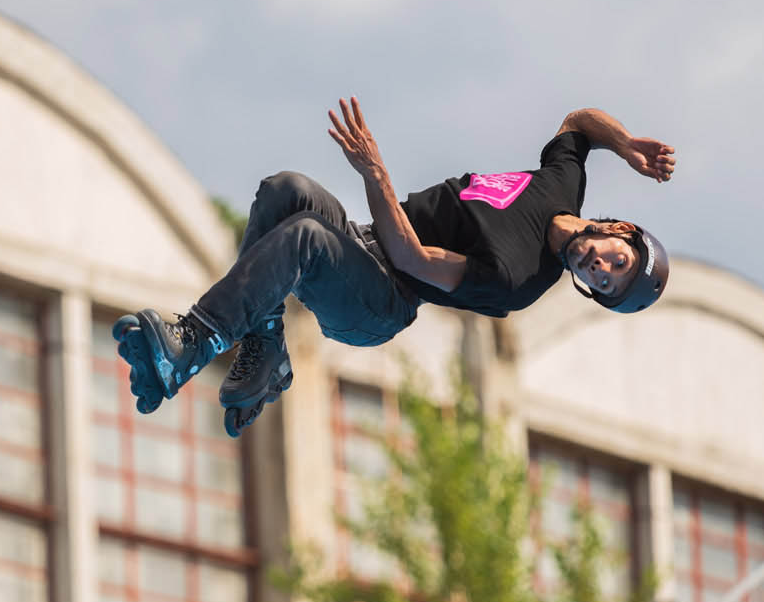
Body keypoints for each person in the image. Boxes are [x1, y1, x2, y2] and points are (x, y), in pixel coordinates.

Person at [112, 99, 675, 436]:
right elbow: (578, 120)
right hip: (362, 243)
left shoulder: (519, 278)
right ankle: (266, 349)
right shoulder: (563, 183)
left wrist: (375, 175)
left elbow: (412, 259)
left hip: (381, 299)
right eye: (613, 261)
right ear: (618, 230)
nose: (597, 268)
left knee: (306, 238)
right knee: (286, 191)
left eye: (602, 283)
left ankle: (194, 341)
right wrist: (623, 143)